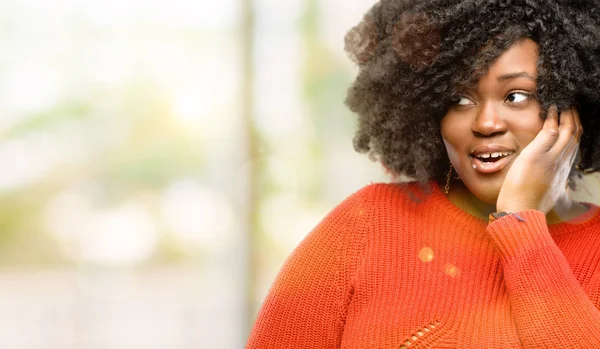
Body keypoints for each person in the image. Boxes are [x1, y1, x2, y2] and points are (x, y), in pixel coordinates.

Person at [246, 0, 600, 348]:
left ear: (573, 101)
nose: (486, 123)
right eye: (459, 100)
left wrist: (522, 222)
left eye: (517, 96)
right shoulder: (365, 226)